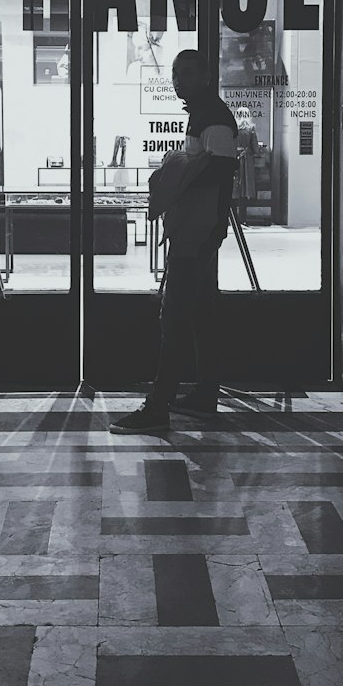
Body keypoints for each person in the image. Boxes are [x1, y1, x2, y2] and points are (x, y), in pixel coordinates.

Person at [111, 49, 238, 435]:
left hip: (197, 232)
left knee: (175, 316)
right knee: (201, 314)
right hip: (197, 229)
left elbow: (219, 170)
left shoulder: (213, 117)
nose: (178, 80)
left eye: (186, 73)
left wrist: (175, 169)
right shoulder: (201, 114)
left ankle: (158, 405)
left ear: (205, 76)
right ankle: (205, 394)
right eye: (175, 73)